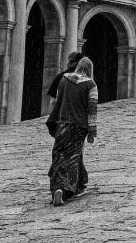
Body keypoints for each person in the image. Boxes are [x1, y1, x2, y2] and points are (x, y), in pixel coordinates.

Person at [46, 57, 97, 207]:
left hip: (62, 122)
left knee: (59, 155)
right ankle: (65, 190)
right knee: (72, 157)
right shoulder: (91, 85)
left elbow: (56, 101)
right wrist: (92, 132)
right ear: (90, 69)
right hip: (78, 126)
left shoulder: (64, 79)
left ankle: (75, 185)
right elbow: (92, 111)